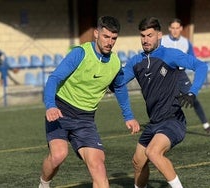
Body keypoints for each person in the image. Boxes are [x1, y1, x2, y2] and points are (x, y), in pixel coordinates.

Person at [38, 16, 140, 188]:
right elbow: (54, 78)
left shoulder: (115, 62)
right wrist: (50, 105)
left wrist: (128, 116)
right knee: (58, 155)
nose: (109, 42)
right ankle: (44, 184)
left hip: (85, 120)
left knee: (99, 167)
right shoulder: (80, 53)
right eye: (106, 37)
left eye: (113, 38)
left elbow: (120, 88)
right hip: (60, 112)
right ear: (96, 34)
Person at [121, 17, 208, 188]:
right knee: (138, 162)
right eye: (142, 36)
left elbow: (201, 66)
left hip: (173, 120)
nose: (145, 40)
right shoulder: (135, 62)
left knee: (153, 152)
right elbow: (117, 82)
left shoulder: (170, 54)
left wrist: (192, 92)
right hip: (154, 123)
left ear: (159, 35)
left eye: (150, 35)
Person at [160, 18, 210, 137]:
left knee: (193, 99)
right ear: (169, 29)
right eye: (173, 28)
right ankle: (160, 127)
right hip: (166, 75)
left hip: (181, 76)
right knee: (164, 101)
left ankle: (206, 125)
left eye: (177, 28)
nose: (175, 31)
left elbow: (193, 60)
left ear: (181, 28)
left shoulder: (186, 43)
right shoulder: (162, 41)